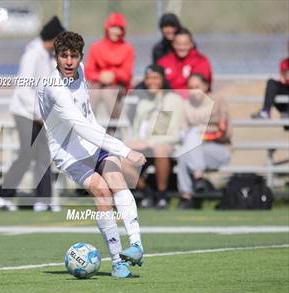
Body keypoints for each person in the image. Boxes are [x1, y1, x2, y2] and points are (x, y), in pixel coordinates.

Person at [38, 31, 146, 278]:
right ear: (55, 57)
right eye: (63, 56)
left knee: (118, 181)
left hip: (94, 144)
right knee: (102, 191)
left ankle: (137, 246)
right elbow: (82, 126)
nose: (68, 61)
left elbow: (89, 119)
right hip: (68, 152)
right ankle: (118, 261)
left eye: (73, 56)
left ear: (80, 57)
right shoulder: (55, 87)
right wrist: (126, 151)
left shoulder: (83, 70)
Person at [0, 16, 65, 212]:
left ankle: (43, 200)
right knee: (27, 154)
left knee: (43, 156)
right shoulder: (33, 54)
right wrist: (38, 113)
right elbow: (23, 89)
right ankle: (0, 195)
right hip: (25, 112)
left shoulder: (47, 56)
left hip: (38, 114)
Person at [122, 65, 183, 209]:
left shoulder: (172, 99)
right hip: (144, 146)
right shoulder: (142, 100)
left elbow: (171, 134)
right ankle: (147, 193)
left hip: (166, 144)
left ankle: (162, 196)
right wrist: (131, 143)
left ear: (162, 79)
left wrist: (147, 143)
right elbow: (137, 128)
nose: (151, 82)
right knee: (118, 159)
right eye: (148, 78)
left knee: (160, 150)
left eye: (155, 78)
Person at [177, 74, 232, 209]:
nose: (193, 91)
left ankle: (197, 177)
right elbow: (182, 129)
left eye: (197, 87)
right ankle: (188, 195)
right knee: (183, 155)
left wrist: (203, 135)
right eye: (190, 88)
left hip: (218, 148)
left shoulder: (218, 100)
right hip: (194, 152)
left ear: (206, 86)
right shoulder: (185, 105)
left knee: (194, 136)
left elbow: (225, 132)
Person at [85, 13, 134, 119]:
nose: (116, 31)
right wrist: (100, 77)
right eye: (113, 27)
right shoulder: (96, 47)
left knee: (108, 92)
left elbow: (127, 75)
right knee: (93, 92)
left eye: (119, 28)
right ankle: (88, 126)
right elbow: (89, 71)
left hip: (119, 85)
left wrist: (113, 75)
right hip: (99, 84)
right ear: (107, 28)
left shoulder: (127, 48)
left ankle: (116, 127)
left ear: (123, 31)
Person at [157, 28, 212, 92]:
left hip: (193, 99)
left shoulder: (201, 61)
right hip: (169, 98)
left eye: (185, 44)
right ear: (173, 44)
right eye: (178, 44)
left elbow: (201, 87)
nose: (182, 47)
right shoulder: (163, 62)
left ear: (191, 44)